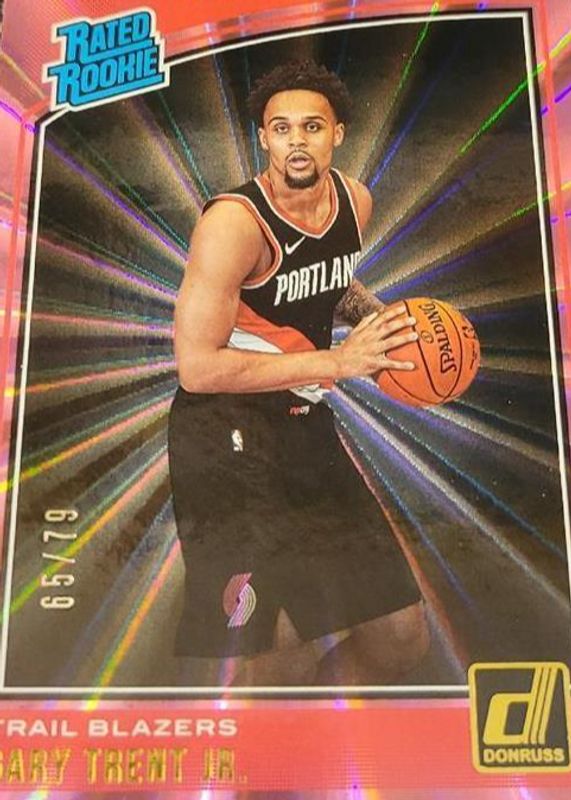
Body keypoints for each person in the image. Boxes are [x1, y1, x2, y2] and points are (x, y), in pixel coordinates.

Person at [168, 60, 429, 686]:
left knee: (401, 638)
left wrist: (385, 322)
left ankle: (315, 731)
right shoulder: (233, 225)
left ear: (337, 133)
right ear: (264, 138)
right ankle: (273, 742)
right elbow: (196, 367)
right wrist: (339, 361)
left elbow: (328, 286)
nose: (296, 142)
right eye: (281, 128)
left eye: (311, 126)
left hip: (302, 423)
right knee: (277, 645)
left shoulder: (354, 202)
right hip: (223, 431)